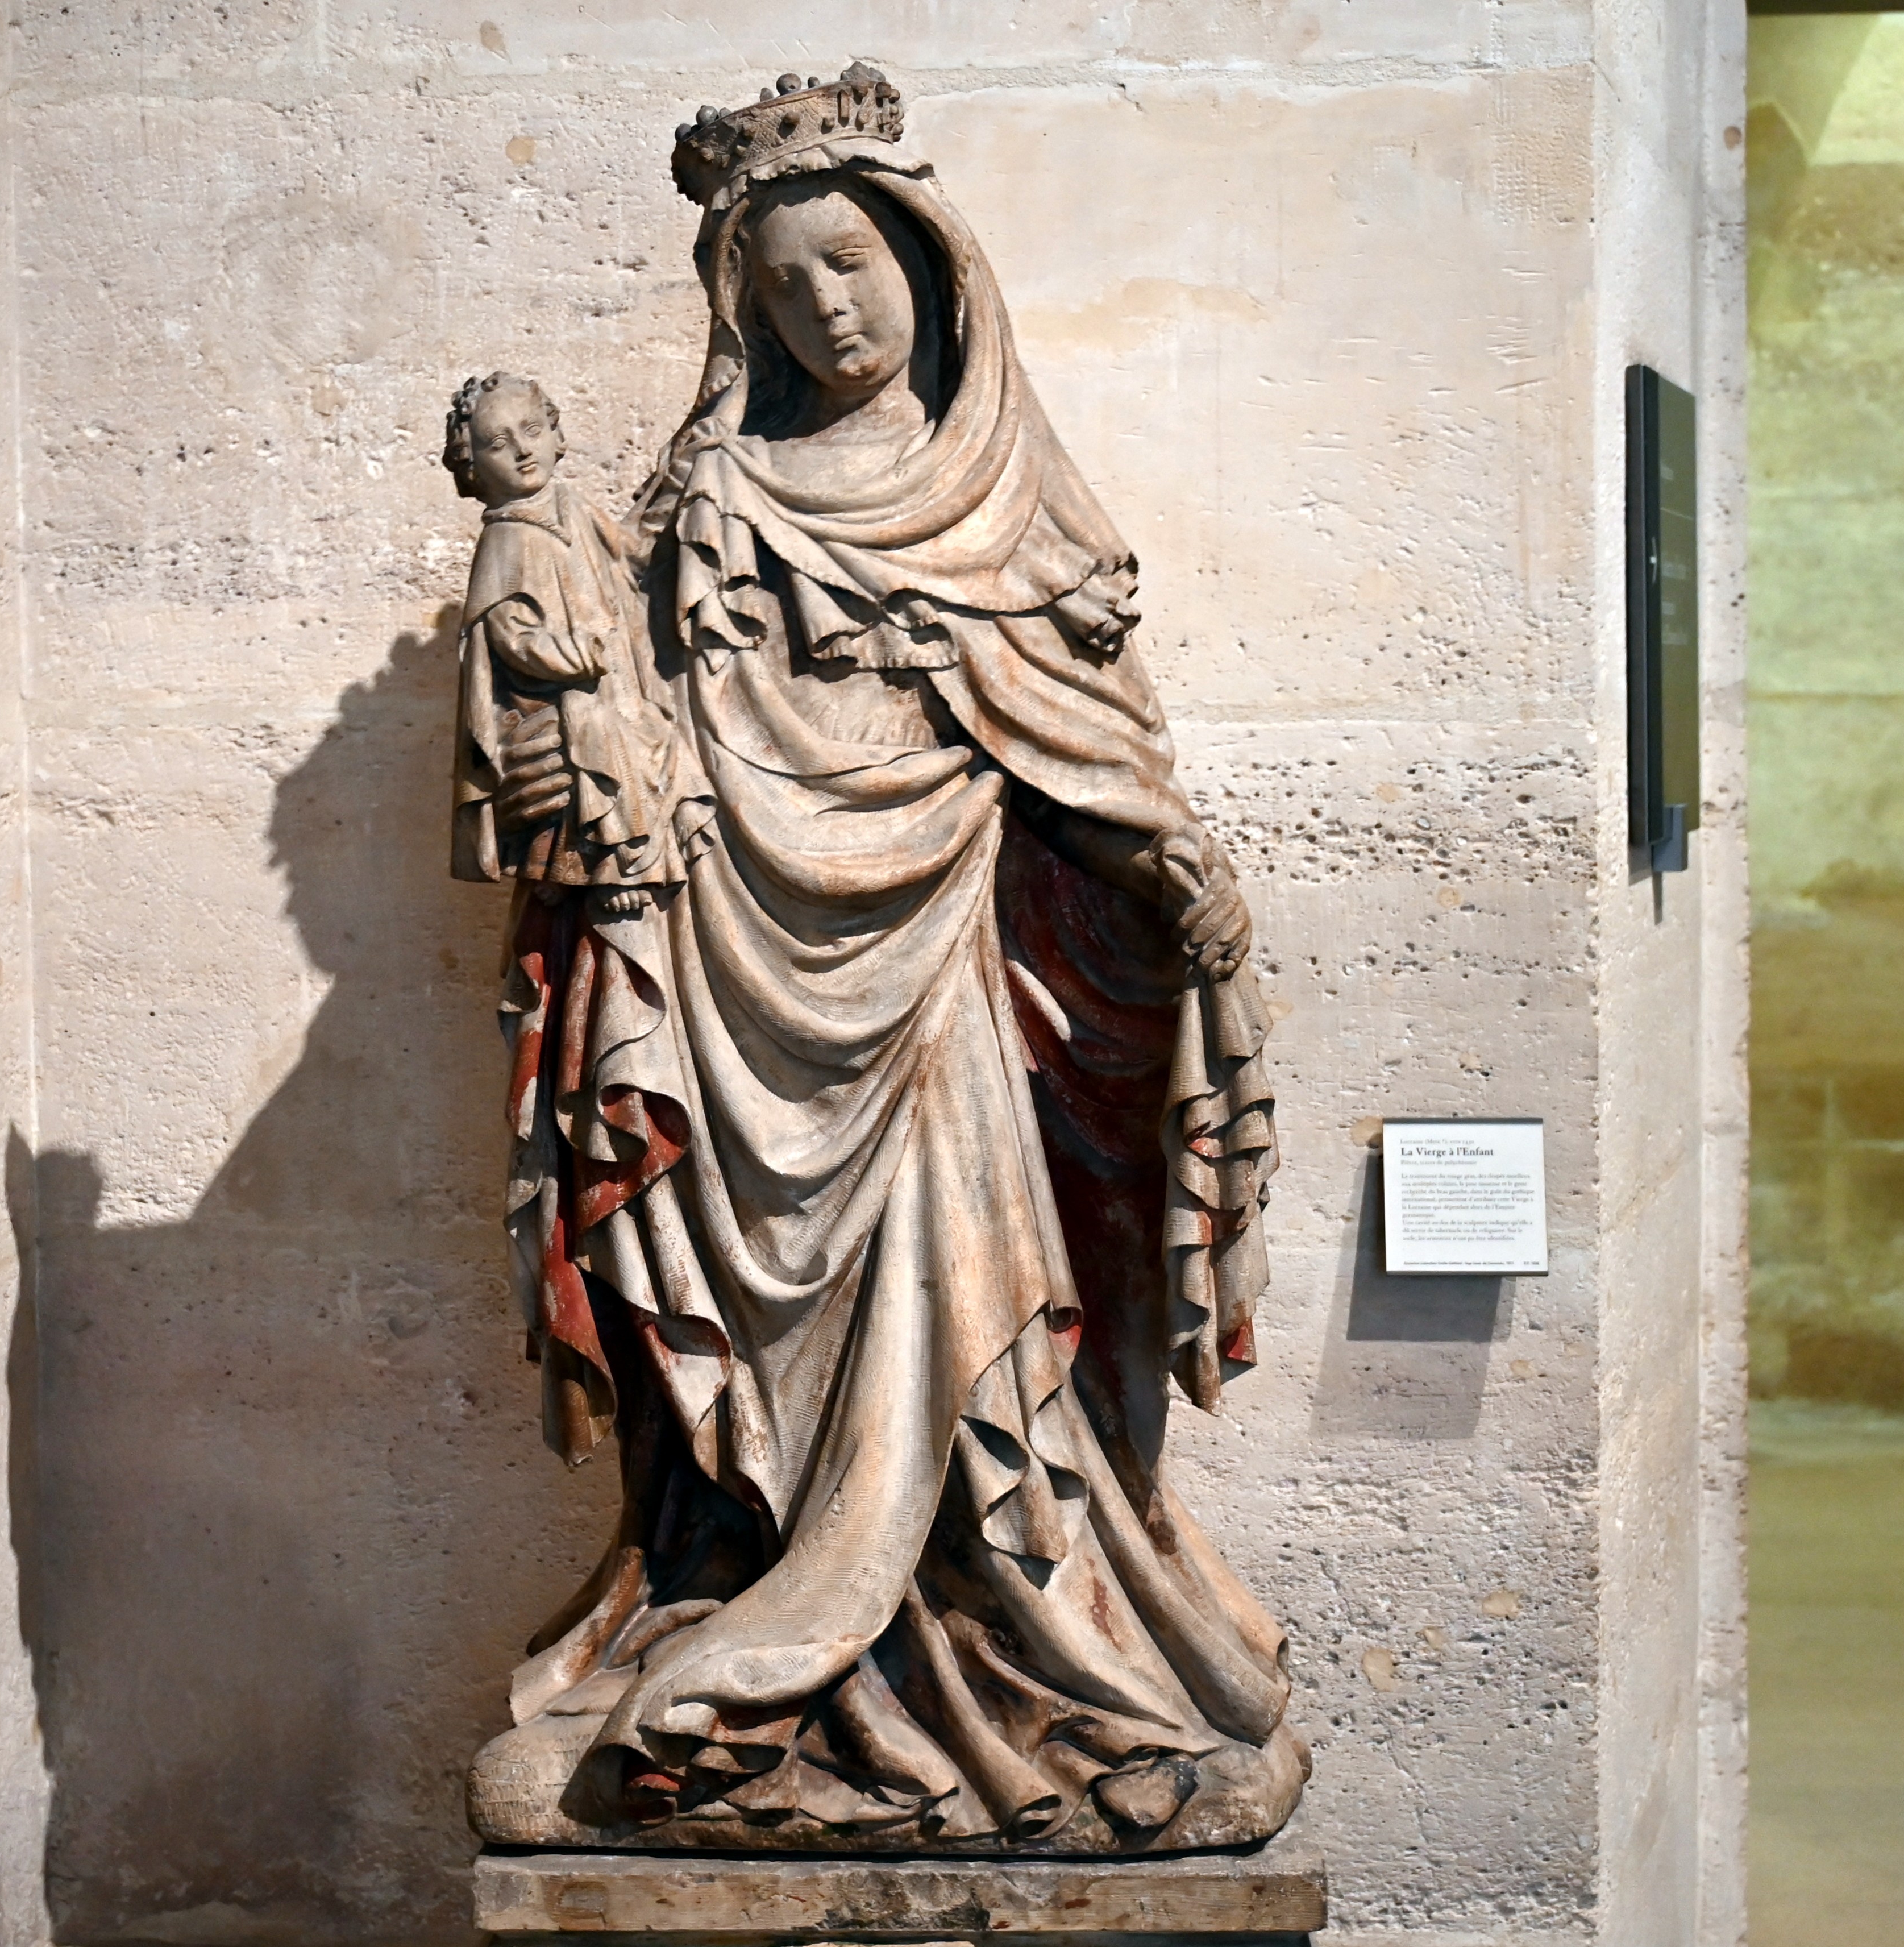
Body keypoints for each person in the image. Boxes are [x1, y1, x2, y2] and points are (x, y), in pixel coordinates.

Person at [455, 65, 1304, 1854]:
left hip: (941, 993)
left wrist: (1169, 870)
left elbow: (1080, 747)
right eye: (780, 289)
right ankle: (767, 1633)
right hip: (739, 992)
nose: (824, 311)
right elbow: (626, 726)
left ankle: (1018, 1666)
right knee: (751, 1359)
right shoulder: (713, 495)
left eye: (848, 265)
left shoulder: (1017, 506)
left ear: (925, 260)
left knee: (975, 1318)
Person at [444, 372, 706, 919]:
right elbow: (512, 636)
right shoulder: (505, 537)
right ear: (473, 467)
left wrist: (680, 476)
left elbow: (630, 552)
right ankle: (611, 864)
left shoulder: (572, 507)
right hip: (558, 699)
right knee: (598, 734)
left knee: (658, 735)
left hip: (610, 686)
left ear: (556, 435)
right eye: (498, 443)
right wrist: (577, 656)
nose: (522, 451)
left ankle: (632, 847)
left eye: (532, 430)